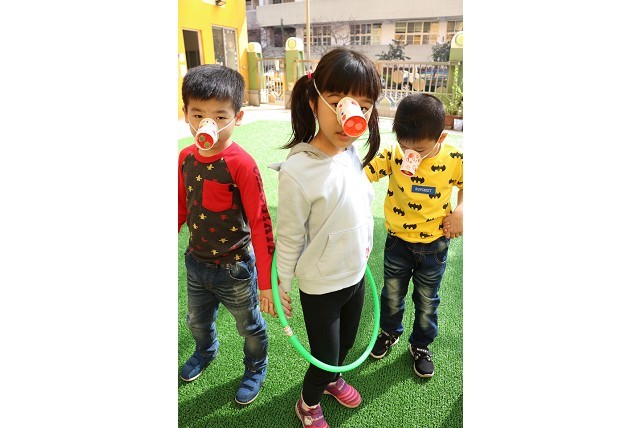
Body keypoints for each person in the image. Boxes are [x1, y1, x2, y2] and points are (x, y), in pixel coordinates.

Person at [271, 48, 382, 428]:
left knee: (346, 344)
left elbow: (358, 208)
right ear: (312, 100)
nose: (349, 116)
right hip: (322, 285)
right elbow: (289, 237)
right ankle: (308, 403)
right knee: (325, 355)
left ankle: (333, 379)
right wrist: (282, 284)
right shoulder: (298, 170)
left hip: (355, 274)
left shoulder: (350, 153)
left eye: (362, 107)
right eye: (337, 103)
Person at [178, 64, 277, 405]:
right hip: (197, 263)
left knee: (249, 326)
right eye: (198, 115)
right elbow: (180, 206)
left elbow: (261, 221)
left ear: (239, 117)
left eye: (220, 116)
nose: (208, 124)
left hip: (235, 268)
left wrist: (267, 280)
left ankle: (256, 367)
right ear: (186, 114)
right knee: (196, 321)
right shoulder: (185, 158)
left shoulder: (241, 164)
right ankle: (206, 350)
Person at [365, 93, 463, 378]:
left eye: (419, 149)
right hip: (398, 242)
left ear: (441, 138)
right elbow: (362, 174)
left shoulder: (454, 158)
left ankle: (421, 344)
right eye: (404, 145)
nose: (410, 154)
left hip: (434, 245)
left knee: (427, 300)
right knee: (392, 294)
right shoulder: (393, 154)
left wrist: (461, 211)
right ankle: (389, 332)